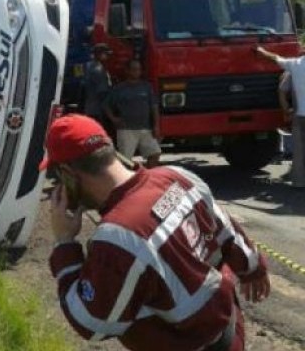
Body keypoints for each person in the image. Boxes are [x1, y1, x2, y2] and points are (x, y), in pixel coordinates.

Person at [46, 114, 271, 351]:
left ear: (68, 174)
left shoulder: (116, 238)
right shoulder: (177, 176)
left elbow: (92, 324)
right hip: (229, 333)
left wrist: (65, 244)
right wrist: (254, 268)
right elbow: (228, 232)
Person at [256, 46, 305, 187]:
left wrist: (262, 52)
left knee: (299, 150)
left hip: (300, 115)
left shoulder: (296, 64)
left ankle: (300, 182)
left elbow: (276, 58)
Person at [104, 59, 161, 167]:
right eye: (134, 69)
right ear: (127, 71)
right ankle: (129, 181)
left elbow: (154, 106)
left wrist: (156, 126)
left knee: (155, 153)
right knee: (125, 160)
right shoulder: (119, 88)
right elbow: (106, 105)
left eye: (139, 69)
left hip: (145, 128)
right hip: (126, 129)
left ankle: (148, 178)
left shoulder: (146, 87)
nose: (137, 72)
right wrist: (113, 119)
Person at [83, 43, 113, 127]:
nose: (108, 56)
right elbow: (102, 93)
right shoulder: (99, 70)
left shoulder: (88, 66)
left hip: (89, 107)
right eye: (106, 54)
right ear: (100, 54)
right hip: (98, 110)